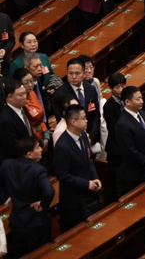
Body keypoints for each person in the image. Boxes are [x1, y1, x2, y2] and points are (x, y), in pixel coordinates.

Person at [0, 136, 54, 256]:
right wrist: (42, 204)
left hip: (17, 221)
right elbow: (49, 192)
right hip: (37, 222)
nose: (41, 149)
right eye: (37, 147)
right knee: (41, 254)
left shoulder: (6, 164)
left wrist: (7, 198)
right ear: (29, 154)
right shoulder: (38, 170)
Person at [54, 104, 102, 232]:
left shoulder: (83, 137)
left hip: (88, 195)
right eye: (84, 118)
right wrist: (86, 184)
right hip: (73, 200)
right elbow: (63, 175)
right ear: (73, 122)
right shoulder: (62, 146)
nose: (87, 121)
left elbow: (89, 159)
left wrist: (95, 178)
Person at [115, 85, 145, 196]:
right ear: (127, 102)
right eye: (138, 99)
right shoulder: (123, 123)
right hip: (135, 174)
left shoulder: (143, 114)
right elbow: (130, 151)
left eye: (141, 98)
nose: (141, 101)